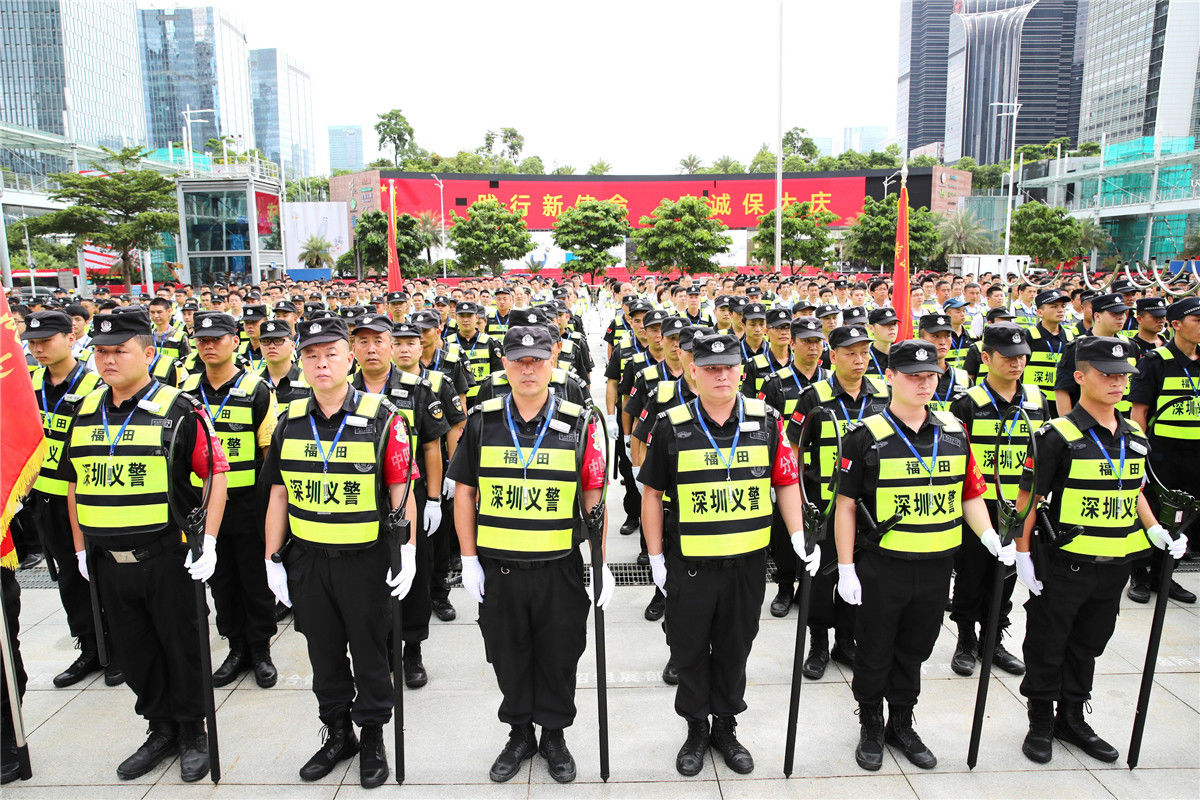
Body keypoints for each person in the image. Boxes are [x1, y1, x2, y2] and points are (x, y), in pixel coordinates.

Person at [62, 309, 229, 782]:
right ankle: (160, 728)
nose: (108, 360)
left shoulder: (180, 409)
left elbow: (217, 475)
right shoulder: (84, 409)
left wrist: (209, 540)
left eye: (120, 350)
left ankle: (192, 731)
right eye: (100, 351)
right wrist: (79, 547)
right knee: (135, 652)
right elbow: (76, 481)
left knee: (183, 647)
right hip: (107, 560)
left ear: (150, 354)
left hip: (166, 557)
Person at [834, 339, 1013, 772]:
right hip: (883, 565)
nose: (924, 383)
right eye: (913, 376)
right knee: (875, 647)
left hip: (936, 563)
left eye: (931, 375)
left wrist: (989, 536)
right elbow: (844, 505)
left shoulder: (953, 431)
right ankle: (872, 722)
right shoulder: (864, 436)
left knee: (916, 646)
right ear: (890, 377)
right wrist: (844, 567)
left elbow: (971, 493)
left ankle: (902, 720)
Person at [640, 331, 812, 777]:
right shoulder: (671, 425)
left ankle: (726, 725)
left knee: (736, 647)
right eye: (710, 368)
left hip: (746, 564)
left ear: (741, 370)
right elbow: (652, 493)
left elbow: (787, 482)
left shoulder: (767, 420)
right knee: (690, 648)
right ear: (693, 371)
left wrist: (796, 535)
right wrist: (656, 556)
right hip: (691, 564)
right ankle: (697, 727)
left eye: (729, 367)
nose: (721, 375)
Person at [1013, 336, 1188, 765]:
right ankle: (1040, 718)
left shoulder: (1133, 434)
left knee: (1090, 642)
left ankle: (1072, 715)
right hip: (1064, 562)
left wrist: (1156, 530)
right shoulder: (1055, 435)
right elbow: (1028, 499)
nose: (1116, 383)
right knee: (1048, 642)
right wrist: (1021, 553)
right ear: (1080, 377)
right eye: (1105, 374)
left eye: (1122, 376)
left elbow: (1136, 489)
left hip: (1115, 561)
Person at [262, 316, 419, 788]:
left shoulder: (384, 417)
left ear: (349, 359)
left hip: (364, 560)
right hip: (308, 559)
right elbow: (278, 494)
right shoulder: (287, 419)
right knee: (322, 653)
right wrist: (271, 559)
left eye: (331, 353)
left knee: (370, 651)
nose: (321, 363)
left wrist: (406, 550)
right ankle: (337, 732)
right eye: (311, 355)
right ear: (301, 362)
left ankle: (372, 734)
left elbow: (401, 489)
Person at [449, 325, 609, 784]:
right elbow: (465, 492)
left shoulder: (581, 420)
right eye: (519, 360)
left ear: (552, 361)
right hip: (499, 568)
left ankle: (554, 735)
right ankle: (520, 733)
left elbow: (593, 496)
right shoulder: (483, 420)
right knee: (507, 654)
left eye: (537, 359)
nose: (528, 368)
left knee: (560, 655)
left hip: (558, 567)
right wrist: (468, 558)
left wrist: (600, 564)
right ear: (505, 364)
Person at [352, 316, 454, 689]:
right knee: (371, 579)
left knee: (413, 578)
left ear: (391, 345)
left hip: (409, 497)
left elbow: (431, 446)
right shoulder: (345, 391)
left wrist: (431, 498)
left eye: (379, 340)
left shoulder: (416, 389)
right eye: (362, 342)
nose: (372, 348)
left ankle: (412, 651)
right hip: (361, 501)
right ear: (353, 350)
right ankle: (381, 648)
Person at [21, 310, 120, 688]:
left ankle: (118, 648)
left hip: (89, 497)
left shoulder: (98, 384)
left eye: (47, 340)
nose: (39, 348)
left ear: (69, 336)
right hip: (46, 497)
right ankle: (90, 647)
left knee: (102, 575)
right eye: (33, 342)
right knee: (68, 577)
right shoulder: (29, 383)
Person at [783, 325, 890, 671]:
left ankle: (846, 640)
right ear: (833, 356)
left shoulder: (883, 393)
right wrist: (801, 502)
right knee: (821, 576)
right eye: (850, 353)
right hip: (825, 502)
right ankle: (817, 644)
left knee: (859, 572)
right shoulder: (813, 397)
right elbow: (795, 450)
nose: (860, 361)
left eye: (864, 353)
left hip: (869, 506)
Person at [183, 312, 279, 689]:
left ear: (235, 342)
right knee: (220, 579)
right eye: (202, 340)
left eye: (216, 339)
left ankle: (260, 650)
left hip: (246, 503)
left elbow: (268, 451)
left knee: (253, 578)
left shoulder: (256, 388)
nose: (208, 346)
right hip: (201, 504)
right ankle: (235, 646)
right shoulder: (185, 389)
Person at [947, 323, 1049, 678]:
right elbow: (956, 456)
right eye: (1007, 357)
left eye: (1022, 356)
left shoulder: (1037, 400)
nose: (1016, 363)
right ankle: (965, 639)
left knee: (1004, 576)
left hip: (1018, 504)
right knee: (972, 573)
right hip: (978, 506)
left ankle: (994, 639)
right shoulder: (966, 403)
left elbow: (1043, 453)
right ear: (987, 357)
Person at [1126, 296, 1200, 604]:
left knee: (1186, 518)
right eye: (1197, 320)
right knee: (1154, 513)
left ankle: (1166, 575)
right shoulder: (1155, 361)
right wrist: (1141, 454)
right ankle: (1140, 575)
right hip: (1161, 454)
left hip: (1195, 455)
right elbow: (1139, 413)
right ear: (1176, 325)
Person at [1023, 289, 1075, 402]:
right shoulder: (1028, 336)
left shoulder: (1070, 337)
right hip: (1033, 401)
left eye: (1063, 306)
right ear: (1040, 312)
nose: (1060, 310)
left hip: (1063, 401)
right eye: (1054, 306)